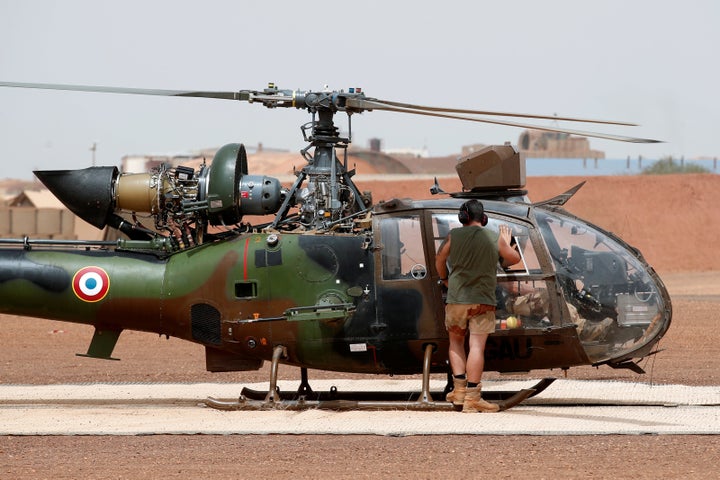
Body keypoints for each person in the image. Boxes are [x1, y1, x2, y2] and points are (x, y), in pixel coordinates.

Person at [435, 199, 521, 413]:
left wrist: (445, 278)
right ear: (483, 219)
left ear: (462, 218)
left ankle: (459, 392)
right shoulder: (493, 237)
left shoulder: (453, 236)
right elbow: (514, 259)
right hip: (483, 300)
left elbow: (439, 259)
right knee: (476, 347)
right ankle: (473, 398)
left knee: (455, 343)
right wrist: (507, 241)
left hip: (456, 299)